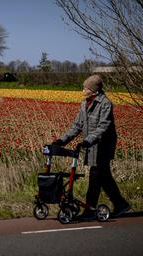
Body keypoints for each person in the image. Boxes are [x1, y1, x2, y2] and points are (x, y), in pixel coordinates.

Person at [53, 74, 131, 220]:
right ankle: (121, 204)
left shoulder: (105, 104)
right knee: (104, 177)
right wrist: (61, 141)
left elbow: (103, 126)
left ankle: (90, 211)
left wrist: (88, 140)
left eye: (86, 87)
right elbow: (77, 126)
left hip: (103, 146)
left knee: (95, 178)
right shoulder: (84, 104)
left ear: (93, 90)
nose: (83, 89)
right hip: (91, 145)